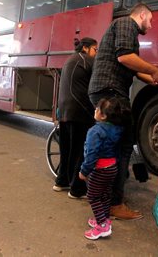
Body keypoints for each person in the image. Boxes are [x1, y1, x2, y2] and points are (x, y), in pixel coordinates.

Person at [88, 2, 158, 220]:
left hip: (107, 90)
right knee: (123, 147)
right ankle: (114, 203)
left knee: (113, 146)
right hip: (111, 91)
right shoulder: (125, 24)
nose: (150, 26)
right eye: (150, 20)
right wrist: (155, 70)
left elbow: (132, 66)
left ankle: (103, 195)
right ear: (141, 15)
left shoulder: (126, 32)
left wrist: (156, 79)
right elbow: (124, 57)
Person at [53, 37, 98, 199]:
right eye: (95, 49)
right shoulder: (87, 60)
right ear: (85, 48)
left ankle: (61, 181)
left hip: (64, 110)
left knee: (66, 150)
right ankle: (77, 189)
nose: (96, 53)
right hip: (79, 111)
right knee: (79, 152)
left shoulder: (69, 60)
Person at [79, 97, 124, 240]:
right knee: (105, 195)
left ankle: (102, 225)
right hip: (112, 167)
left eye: (97, 108)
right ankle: (104, 219)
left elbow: (92, 154)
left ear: (103, 115)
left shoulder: (95, 131)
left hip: (100, 169)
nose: (95, 110)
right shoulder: (117, 129)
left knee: (92, 196)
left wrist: (84, 171)